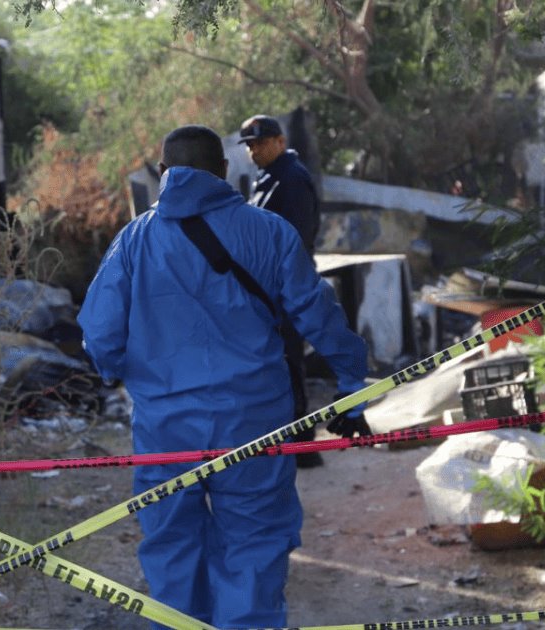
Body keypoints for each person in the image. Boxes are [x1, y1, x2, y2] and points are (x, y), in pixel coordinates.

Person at [78, 124, 368, 629]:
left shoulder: (134, 241)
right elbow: (320, 315)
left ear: (164, 174)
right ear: (224, 170)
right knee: (254, 545)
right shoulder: (269, 232)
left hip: (166, 431)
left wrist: (127, 374)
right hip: (255, 424)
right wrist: (352, 386)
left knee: (173, 548)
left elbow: (100, 336)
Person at [237, 114, 325, 467]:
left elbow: (295, 241)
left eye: (260, 143)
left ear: (279, 141)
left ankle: (303, 447)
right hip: (268, 290)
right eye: (250, 145)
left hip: (287, 287)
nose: (254, 150)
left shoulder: (292, 180)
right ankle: (284, 442)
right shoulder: (268, 180)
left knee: (289, 364)